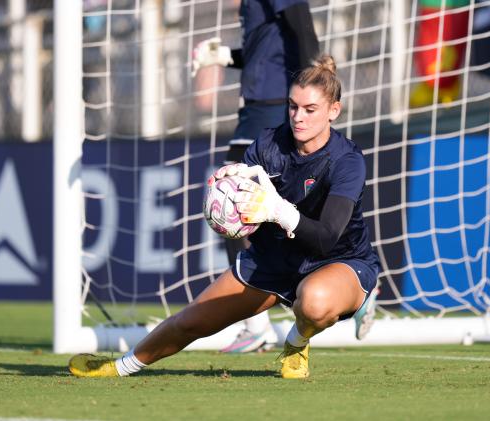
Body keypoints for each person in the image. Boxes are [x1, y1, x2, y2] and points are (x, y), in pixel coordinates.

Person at [68, 54, 382, 379]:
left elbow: (326, 236)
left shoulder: (347, 161)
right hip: (274, 258)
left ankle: (297, 340)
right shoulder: (267, 145)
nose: (298, 117)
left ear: (334, 111)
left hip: (337, 259)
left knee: (314, 303)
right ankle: (119, 367)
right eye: (292, 106)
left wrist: (278, 210)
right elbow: (245, 210)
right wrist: (230, 201)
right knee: (193, 321)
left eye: (310, 109)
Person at [191, 0, 320, 353]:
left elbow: (303, 28)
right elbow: (268, 55)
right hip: (260, 107)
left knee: (230, 198)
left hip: (272, 108)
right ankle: (348, 286)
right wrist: (225, 57)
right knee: (270, 211)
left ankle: (257, 324)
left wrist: (311, 90)